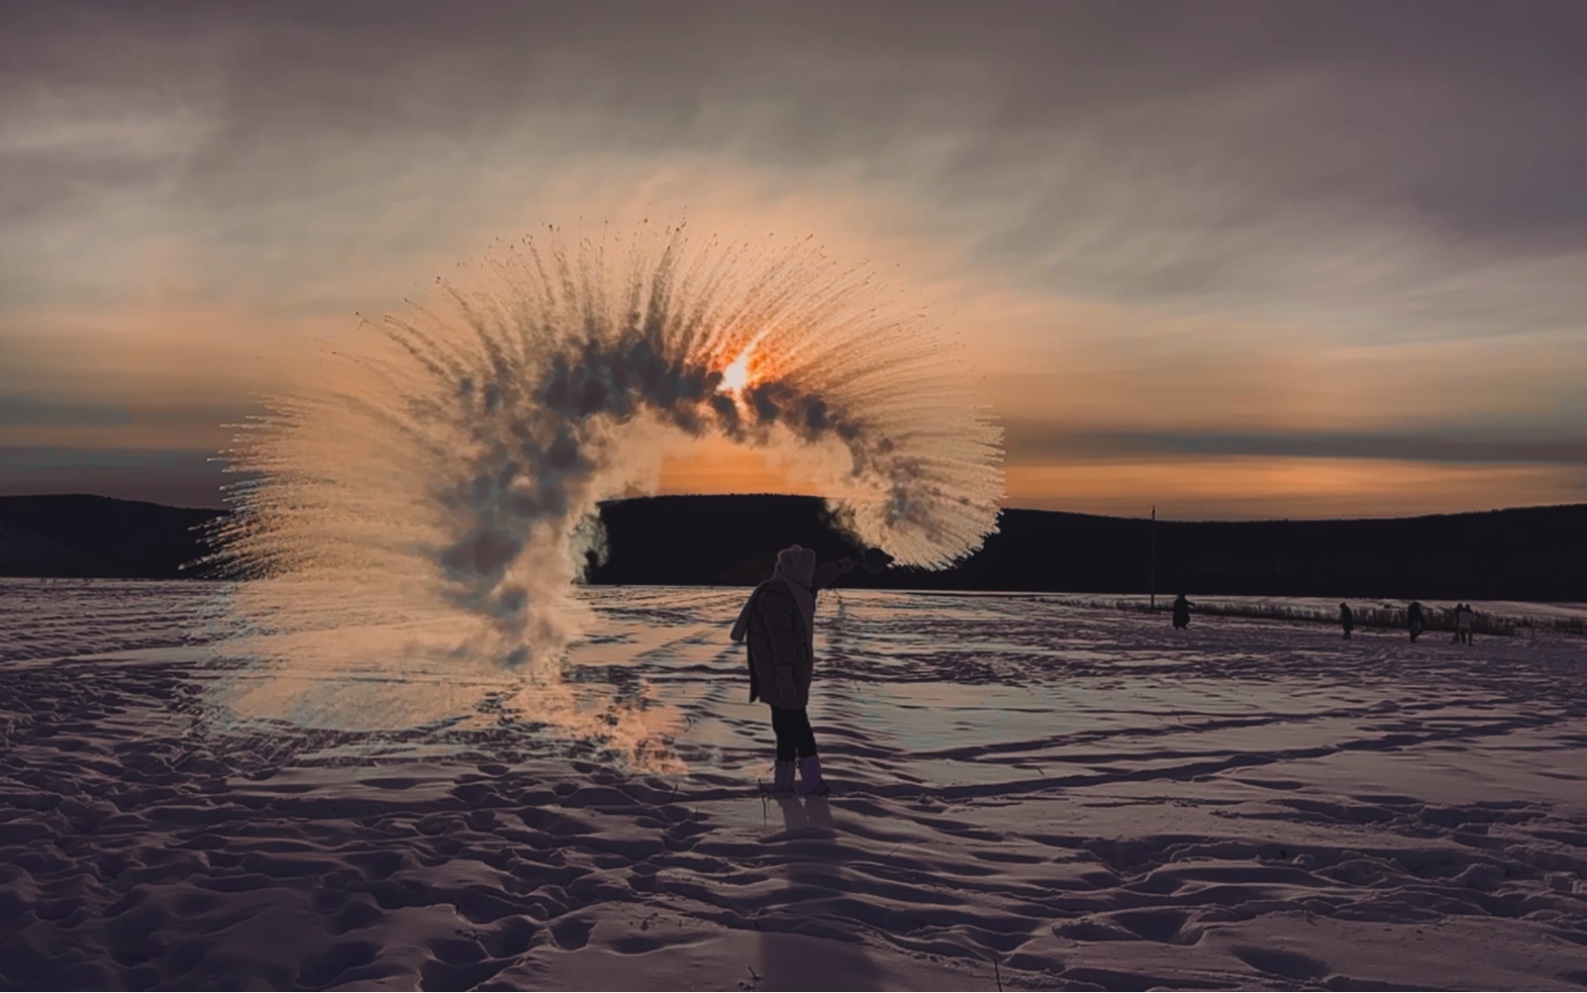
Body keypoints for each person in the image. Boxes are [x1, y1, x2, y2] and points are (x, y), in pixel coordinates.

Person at [730, 544, 884, 796]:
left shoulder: (795, 586)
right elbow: (781, 639)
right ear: (798, 571)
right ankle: (803, 783)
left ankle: (788, 783)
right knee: (793, 725)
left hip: (787, 672)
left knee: (788, 724)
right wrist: (784, 673)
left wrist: (856, 560)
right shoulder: (777, 597)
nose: (812, 576)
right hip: (781, 673)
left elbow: (824, 573)